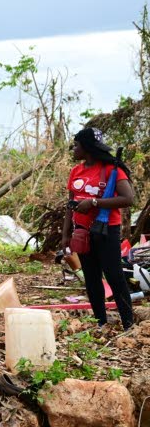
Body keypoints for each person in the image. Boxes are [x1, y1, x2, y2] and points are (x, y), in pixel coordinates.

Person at [61, 127, 137, 330]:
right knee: (91, 278)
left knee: (114, 276)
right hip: (82, 232)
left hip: (106, 230)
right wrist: (65, 234)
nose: (73, 149)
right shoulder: (76, 171)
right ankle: (100, 322)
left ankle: (128, 323)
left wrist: (94, 203)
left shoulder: (112, 169)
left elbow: (128, 198)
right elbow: (70, 205)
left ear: (86, 147)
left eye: (76, 145)